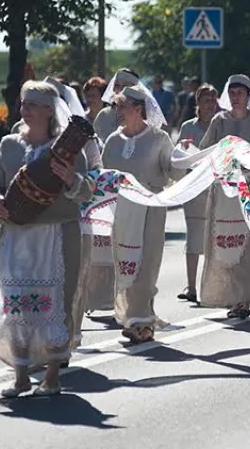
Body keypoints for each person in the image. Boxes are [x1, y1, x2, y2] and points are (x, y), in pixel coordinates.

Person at [0, 81, 92, 397]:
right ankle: (20, 376)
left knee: (56, 304)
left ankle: (53, 375)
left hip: (56, 235)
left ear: (48, 110)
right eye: (24, 102)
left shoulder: (68, 148)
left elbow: (86, 193)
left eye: (31, 104)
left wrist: (71, 178)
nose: (24, 108)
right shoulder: (9, 145)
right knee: (17, 306)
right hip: (16, 235)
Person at [101, 85, 175, 344]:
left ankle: (141, 320)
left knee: (147, 262)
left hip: (151, 207)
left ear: (138, 109)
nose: (118, 111)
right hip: (122, 210)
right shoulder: (112, 140)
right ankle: (136, 317)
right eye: (117, 106)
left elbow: (172, 170)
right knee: (125, 262)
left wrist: (187, 159)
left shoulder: (158, 138)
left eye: (122, 106)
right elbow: (103, 176)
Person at [192, 75, 250, 317]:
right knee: (227, 244)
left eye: (241, 92)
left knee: (249, 245)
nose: (236, 97)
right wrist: (187, 151)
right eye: (232, 92)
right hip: (224, 193)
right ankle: (233, 296)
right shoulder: (220, 120)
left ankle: (244, 298)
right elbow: (207, 152)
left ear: (248, 96)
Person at [176, 84, 218, 301]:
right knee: (193, 238)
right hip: (194, 188)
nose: (210, 104)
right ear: (198, 103)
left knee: (215, 239)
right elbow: (179, 155)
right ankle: (191, 287)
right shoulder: (187, 127)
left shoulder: (222, 125)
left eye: (213, 99)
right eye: (206, 100)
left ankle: (213, 287)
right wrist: (182, 148)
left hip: (216, 187)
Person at [93, 68, 141, 143]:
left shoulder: (141, 115)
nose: (120, 90)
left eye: (125, 86)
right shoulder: (103, 115)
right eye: (117, 85)